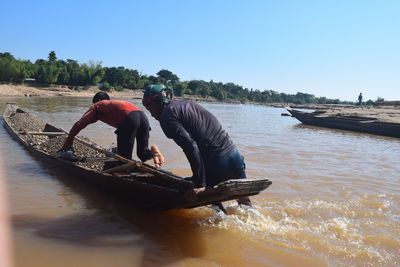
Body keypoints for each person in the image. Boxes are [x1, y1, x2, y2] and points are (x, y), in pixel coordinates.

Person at [142, 84, 251, 206]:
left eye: (149, 106)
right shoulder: (187, 104)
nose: (150, 113)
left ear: (158, 102)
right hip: (235, 158)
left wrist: (200, 184)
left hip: (218, 163)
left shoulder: (167, 117)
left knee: (203, 199)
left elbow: (191, 147)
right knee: (245, 206)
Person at [62, 92, 164, 168]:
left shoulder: (98, 105)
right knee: (142, 154)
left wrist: (69, 141)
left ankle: (123, 178)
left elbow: (79, 124)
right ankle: (152, 152)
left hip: (130, 119)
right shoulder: (113, 105)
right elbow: (129, 130)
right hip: (142, 117)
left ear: (97, 101)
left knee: (124, 160)